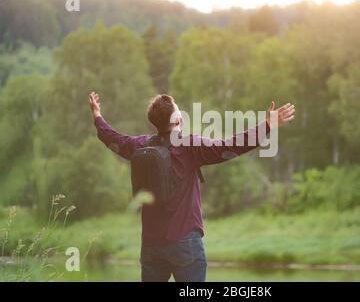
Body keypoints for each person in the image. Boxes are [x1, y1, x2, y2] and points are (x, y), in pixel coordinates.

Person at [88, 91, 295, 282]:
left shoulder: (141, 145)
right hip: (185, 243)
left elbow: (112, 139)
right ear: (177, 119)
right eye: (178, 109)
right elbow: (231, 146)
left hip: (151, 245)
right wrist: (267, 125)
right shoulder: (189, 146)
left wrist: (97, 116)